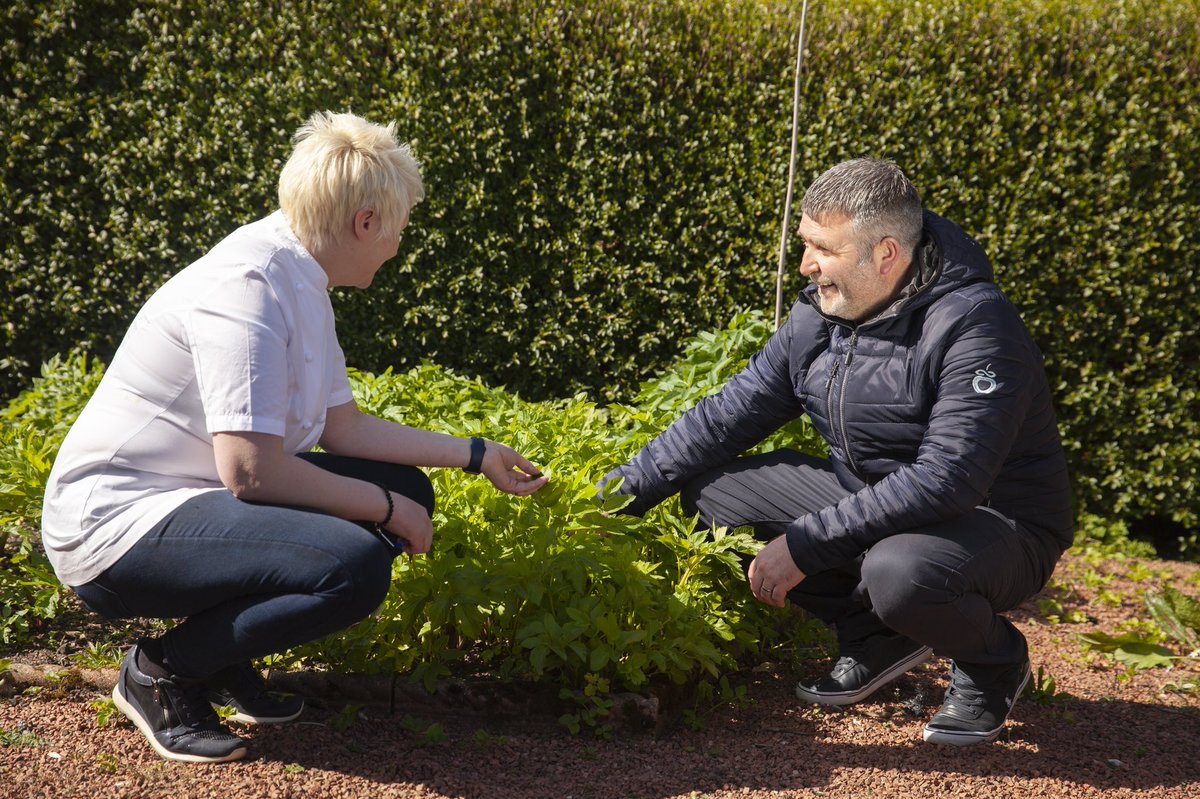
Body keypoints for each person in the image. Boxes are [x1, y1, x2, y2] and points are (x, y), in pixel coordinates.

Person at [41, 111, 548, 764]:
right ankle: (163, 673)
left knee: (405, 485)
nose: (398, 243)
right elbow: (251, 472)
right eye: (398, 227)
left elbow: (345, 429)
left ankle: (223, 654)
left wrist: (476, 456)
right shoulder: (247, 290)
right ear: (366, 222)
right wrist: (389, 512)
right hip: (113, 522)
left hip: (190, 494)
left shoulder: (302, 273)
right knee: (354, 566)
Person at [601, 158, 1073, 746]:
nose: (806, 265)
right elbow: (729, 415)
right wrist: (618, 492)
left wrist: (804, 544)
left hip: (997, 524)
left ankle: (992, 663)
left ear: (886, 254)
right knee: (714, 497)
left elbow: (949, 479)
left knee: (900, 573)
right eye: (806, 243)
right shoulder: (820, 315)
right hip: (876, 497)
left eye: (824, 249)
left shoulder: (975, 326)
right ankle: (874, 635)